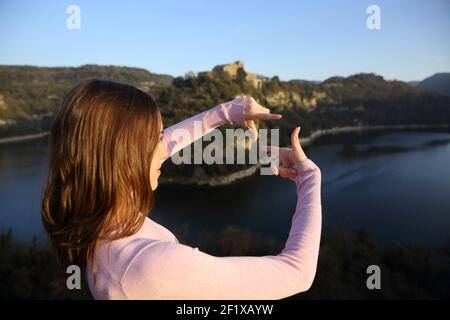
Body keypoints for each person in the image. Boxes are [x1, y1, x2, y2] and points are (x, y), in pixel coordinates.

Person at [42, 79, 322, 300]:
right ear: (122, 155)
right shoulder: (147, 267)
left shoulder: (97, 215)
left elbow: (164, 147)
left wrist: (229, 111)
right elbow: (297, 273)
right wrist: (308, 177)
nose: (163, 145)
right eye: (152, 139)